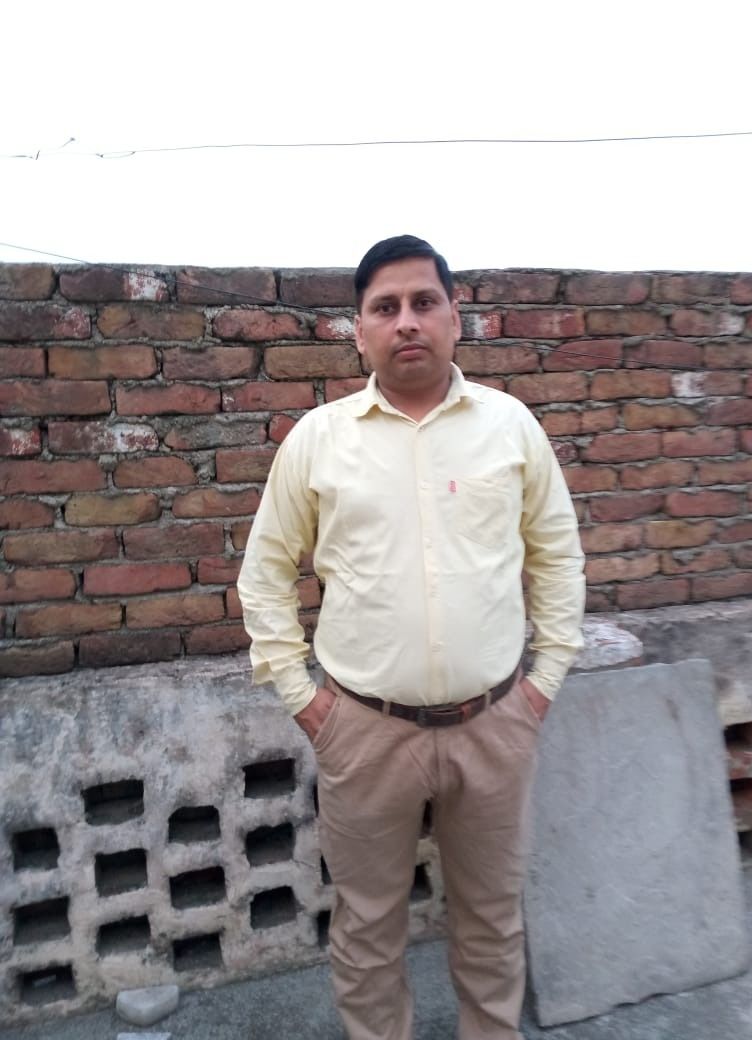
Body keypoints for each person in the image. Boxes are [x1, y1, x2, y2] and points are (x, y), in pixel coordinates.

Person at [237, 235, 585, 1040]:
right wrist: (305, 701)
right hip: (363, 731)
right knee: (366, 927)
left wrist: (543, 683)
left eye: (424, 302)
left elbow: (557, 555)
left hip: (496, 723)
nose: (406, 322)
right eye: (385, 307)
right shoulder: (319, 439)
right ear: (358, 331)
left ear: (455, 318)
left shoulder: (510, 427)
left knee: (493, 917)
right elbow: (265, 573)